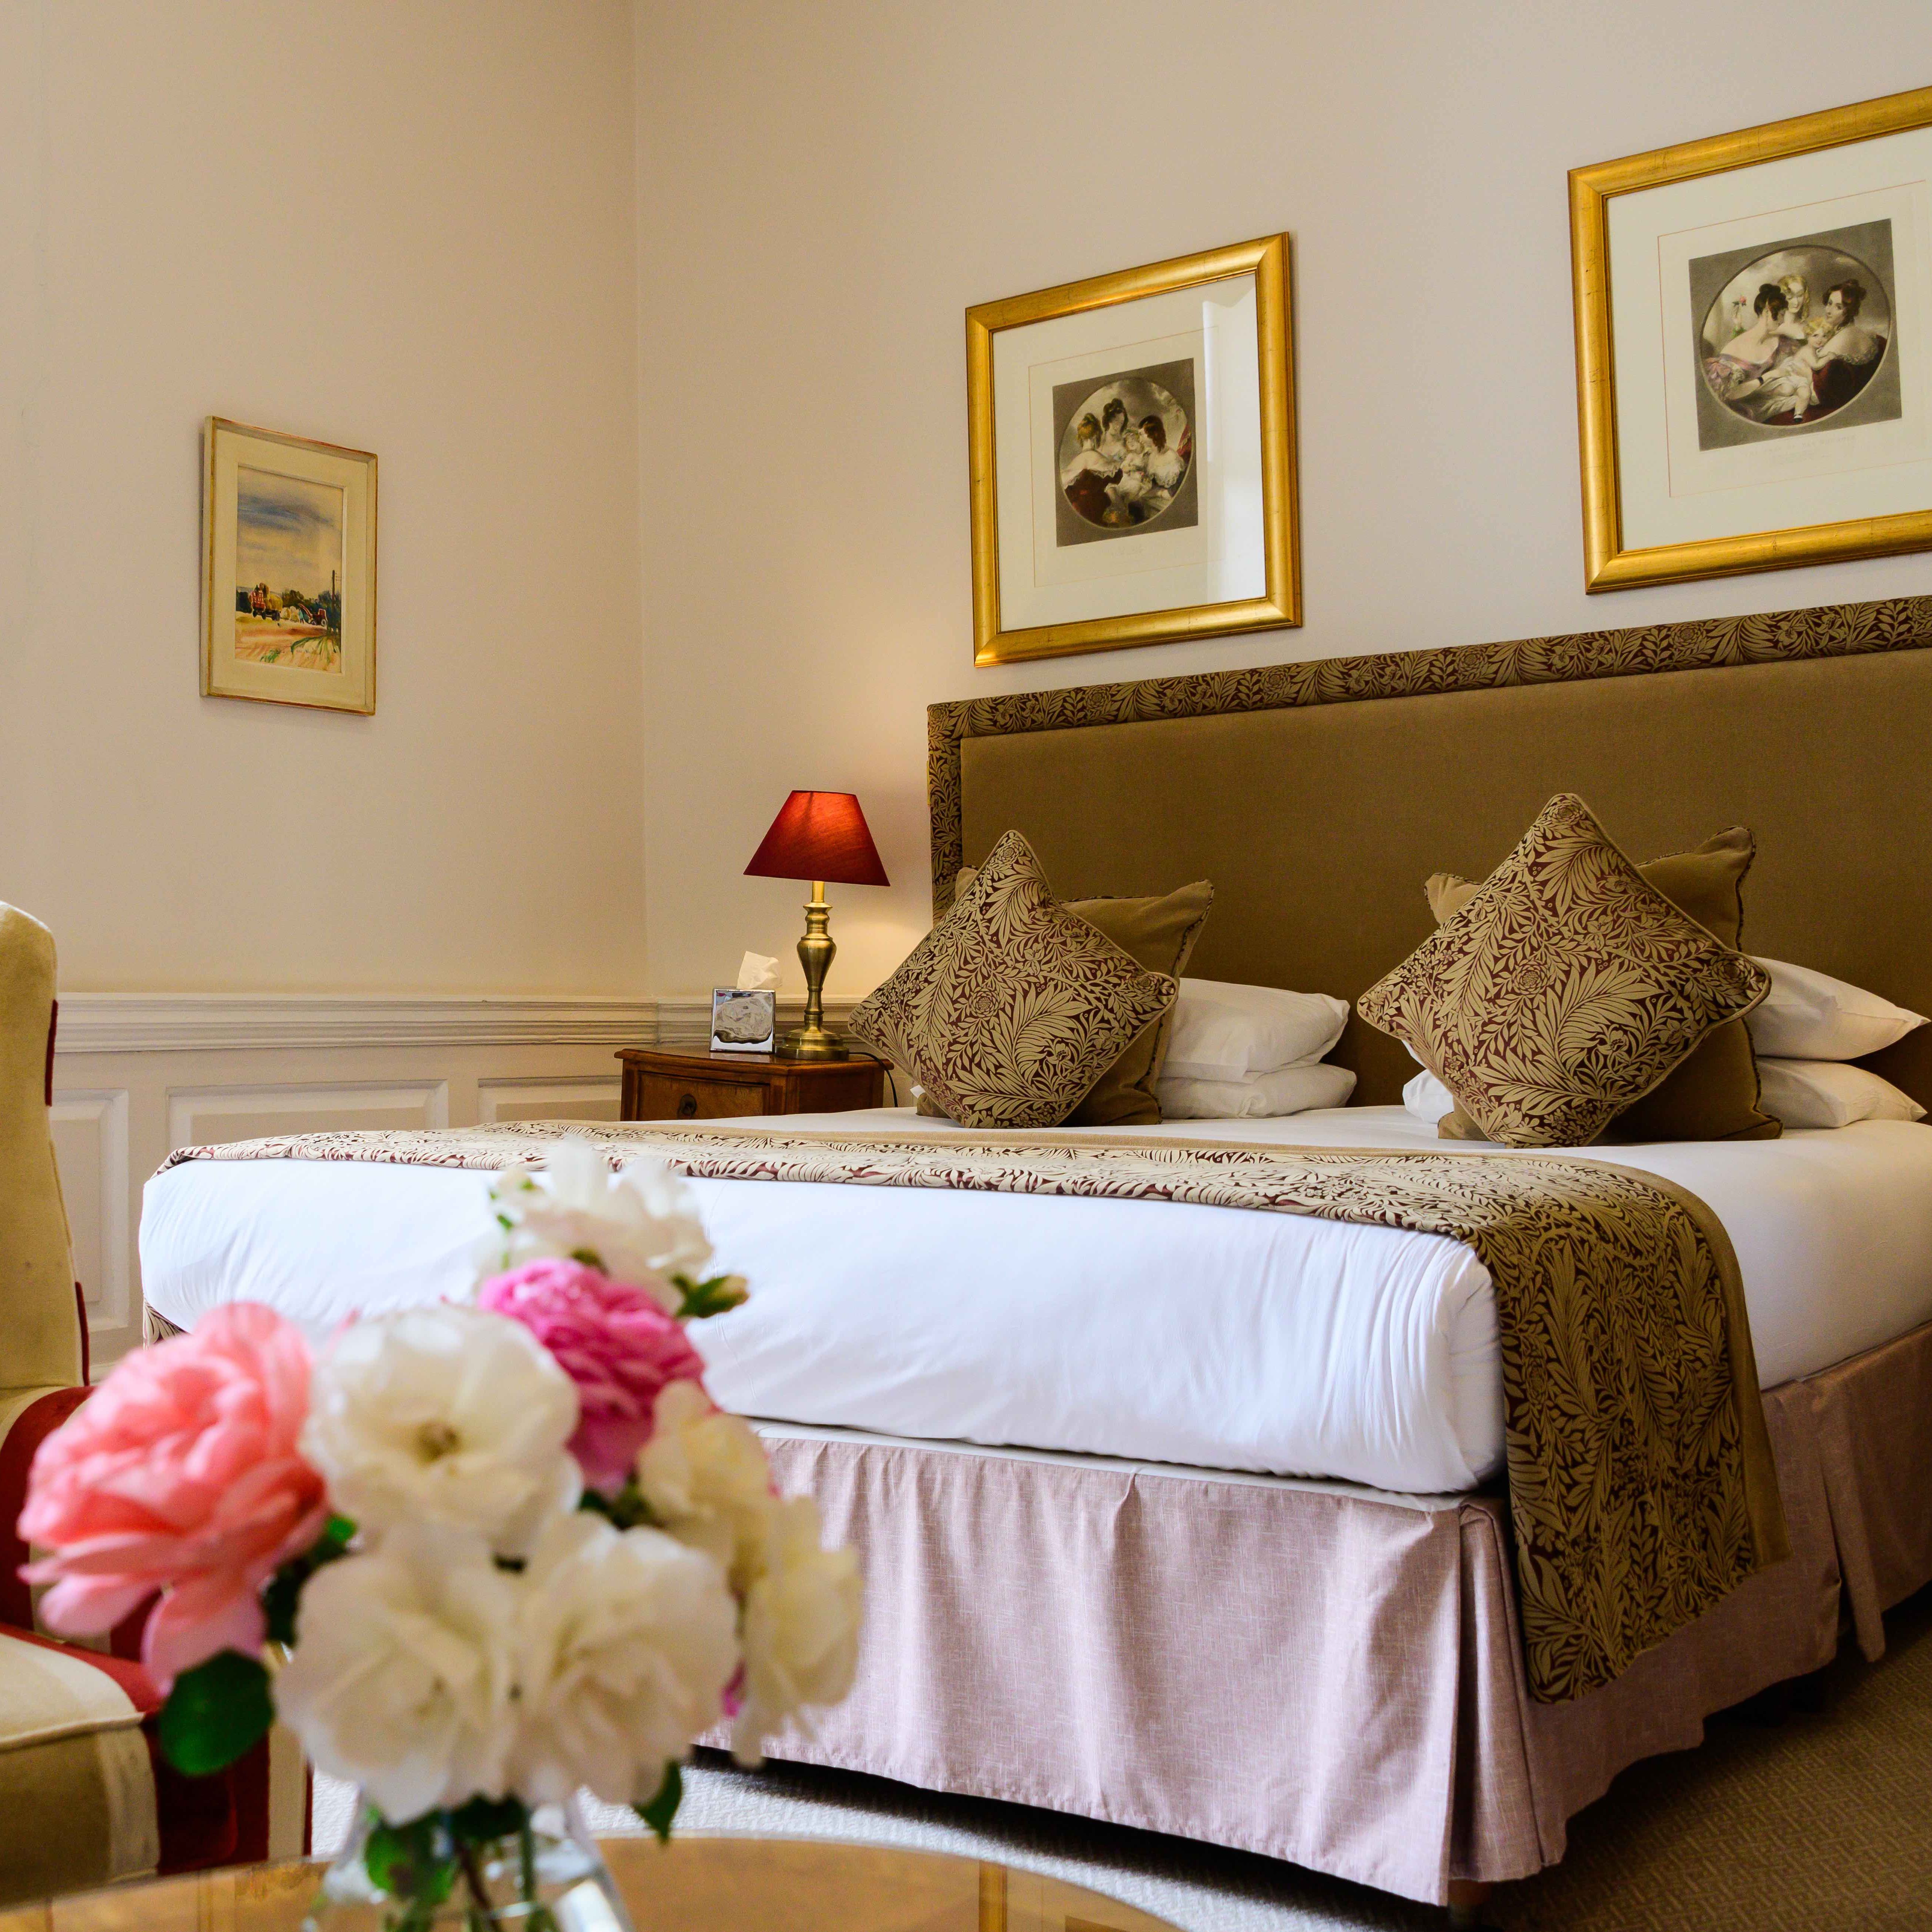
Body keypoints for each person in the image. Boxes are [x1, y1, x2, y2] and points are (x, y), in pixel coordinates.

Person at [1705, 282, 1808, 418]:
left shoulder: (1777, 340)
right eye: (1782, 315)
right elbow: (1730, 394)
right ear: (1767, 312)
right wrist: (1768, 376)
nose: (1783, 321)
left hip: (1765, 396)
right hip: (1741, 406)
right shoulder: (1735, 349)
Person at [1059, 413, 1120, 526]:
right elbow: (1113, 493)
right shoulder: (1102, 461)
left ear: (1081, 437)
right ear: (1096, 436)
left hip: (1077, 515)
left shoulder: (1073, 464)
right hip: (1098, 512)